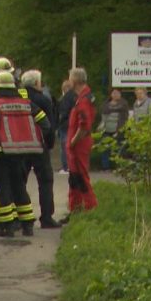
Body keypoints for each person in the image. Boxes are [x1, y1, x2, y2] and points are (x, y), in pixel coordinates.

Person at [0, 70, 50, 237]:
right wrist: (38, 140)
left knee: (1, 188)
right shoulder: (27, 104)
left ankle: (7, 225)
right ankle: (27, 224)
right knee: (19, 186)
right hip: (22, 154)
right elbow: (45, 123)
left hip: (0, 155)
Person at [20, 70, 59, 229]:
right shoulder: (43, 100)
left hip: (20, 146)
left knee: (19, 181)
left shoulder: (18, 98)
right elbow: (49, 126)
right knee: (45, 181)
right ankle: (46, 217)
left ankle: (18, 216)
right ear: (37, 83)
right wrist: (49, 144)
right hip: (38, 145)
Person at [65, 67, 98, 219]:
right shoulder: (84, 97)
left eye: (70, 78)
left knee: (81, 177)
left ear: (76, 80)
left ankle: (90, 207)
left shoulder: (83, 100)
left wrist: (73, 141)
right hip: (77, 145)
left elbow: (84, 125)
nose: (69, 81)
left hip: (79, 145)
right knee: (74, 178)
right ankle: (75, 209)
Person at [99, 88, 129, 169]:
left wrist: (112, 110)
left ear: (120, 94)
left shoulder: (124, 103)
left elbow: (124, 117)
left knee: (119, 148)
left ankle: (119, 167)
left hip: (118, 129)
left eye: (117, 93)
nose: (115, 95)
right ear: (111, 94)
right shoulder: (106, 103)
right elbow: (103, 111)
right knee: (104, 148)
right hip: (106, 130)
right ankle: (105, 167)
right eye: (114, 93)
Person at [55, 79, 75, 174]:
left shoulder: (65, 98)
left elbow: (63, 112)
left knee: (65, 146)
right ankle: (69, 166)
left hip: (65, 125)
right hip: (70, 125)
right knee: (68, 146)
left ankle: (66, 166)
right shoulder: (75, 97)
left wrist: (60, 121)